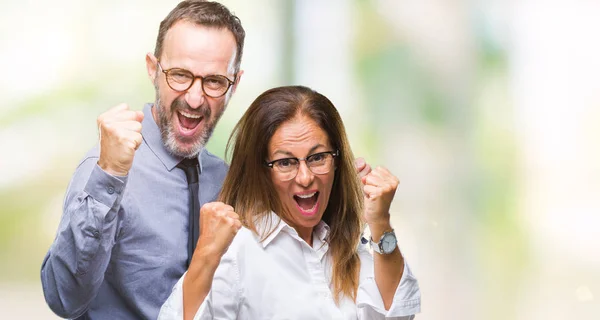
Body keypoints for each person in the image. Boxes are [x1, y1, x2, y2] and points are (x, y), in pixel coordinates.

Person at [40, 2, 372, 319]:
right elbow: (65, 300)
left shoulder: (225, 178)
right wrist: (109, 176)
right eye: (180, 75)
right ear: (153, 70)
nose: (195, 98)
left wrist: (340, 197)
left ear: (234, 84)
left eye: (214, 81)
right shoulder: (105, 171)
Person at [158, 85, 421, 320]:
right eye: (285, 162)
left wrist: (380, 222)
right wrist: (206, 254)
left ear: (337, 160)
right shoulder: (238, 251)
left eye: (318, 158)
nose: (305, 177)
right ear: (261, 171)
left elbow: (399, 315)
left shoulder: (347, 243)